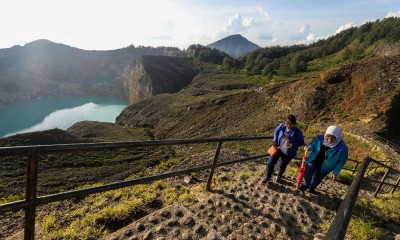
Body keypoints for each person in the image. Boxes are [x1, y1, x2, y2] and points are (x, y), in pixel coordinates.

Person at [299, 126, 348, 194]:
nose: (330, 139)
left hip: (327, 164)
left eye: (333, 137)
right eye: (328, 136)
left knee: (318, 178)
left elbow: (341, 161)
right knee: (307, 172)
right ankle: (306, 184)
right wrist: (309, 147)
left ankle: (312, 187)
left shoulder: (342, 148)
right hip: (314, 159)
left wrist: (335, 172)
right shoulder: (320, 138)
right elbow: (313, 144)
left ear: (337, 136)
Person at [262, 114, 304, 184]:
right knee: (270, 162)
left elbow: (301, 141)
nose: (288, 125)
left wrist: (293, 145)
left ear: (294, 124)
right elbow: (276, 131)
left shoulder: (297, 132)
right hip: (278, 148)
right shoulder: (282, 125)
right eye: (287, 123)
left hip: (288, 152)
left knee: (282, 165)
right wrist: (275, 141)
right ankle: (267, 177)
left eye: (290, 124)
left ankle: (279, 177)